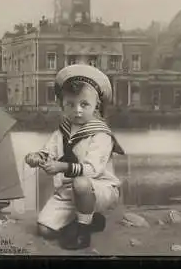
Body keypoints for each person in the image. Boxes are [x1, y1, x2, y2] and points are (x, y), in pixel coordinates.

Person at [25, 64, 124, 250]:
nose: (77, 110)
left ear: (97, 106)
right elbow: (49, 152)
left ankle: (83, 232)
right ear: (62, 104)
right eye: (70, 104)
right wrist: (36, 157)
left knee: (81, 182)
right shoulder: (61, 132)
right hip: (69, 191)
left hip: (100, 189)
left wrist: (61, 167)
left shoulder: (101, 134)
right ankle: (89, 220)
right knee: (44, 229)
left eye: (84, 104)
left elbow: (92, 170)